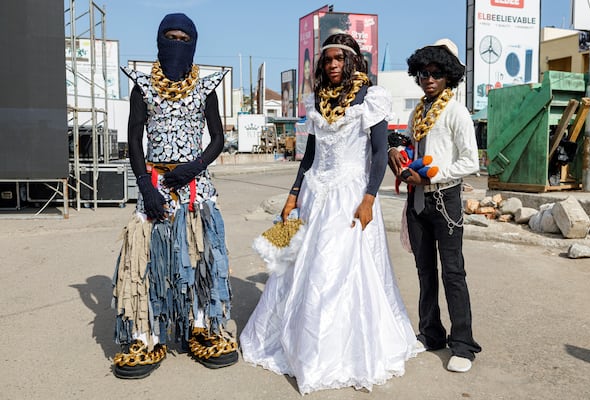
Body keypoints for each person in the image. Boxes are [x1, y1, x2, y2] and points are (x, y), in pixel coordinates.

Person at [241, 33, 418, 394]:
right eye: (328, 60)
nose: (333, 65)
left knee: (334, 269)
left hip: (351, 195)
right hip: (314, 193)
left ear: (352, 60)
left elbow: (380, 152)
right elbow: (309, 156)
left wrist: (369, 198)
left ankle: (331, 353)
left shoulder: (371, 97)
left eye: (339, 59)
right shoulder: (316, 100)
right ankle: (301, 346)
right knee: (293, 268)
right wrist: (292, 196)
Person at [111, 13, 238, 379]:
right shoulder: (142, 86)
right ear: (158, 41)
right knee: (144, 260)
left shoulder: (206, 87)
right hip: (154, 185)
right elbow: (135, 139)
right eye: (170, 37)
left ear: (193, 43)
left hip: (197, 187)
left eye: (183, 39)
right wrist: (144, 186)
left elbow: (217, 139)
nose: (176, 44)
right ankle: (144, 335)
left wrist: (193, 166)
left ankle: (201, 327)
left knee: (201, 257)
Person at [388, 38, 482, 373]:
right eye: (423, 72)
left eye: (436, 73)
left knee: (453, 272)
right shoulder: (417, 112)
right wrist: (398, 154)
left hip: (445, 199)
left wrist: (432, 176)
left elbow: (471, 161)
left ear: (449, 76)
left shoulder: (456, 111)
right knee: (425, 272)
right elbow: (414, 151)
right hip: (417, 201)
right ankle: (431, 333)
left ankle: (463, 345)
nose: (428, 78)